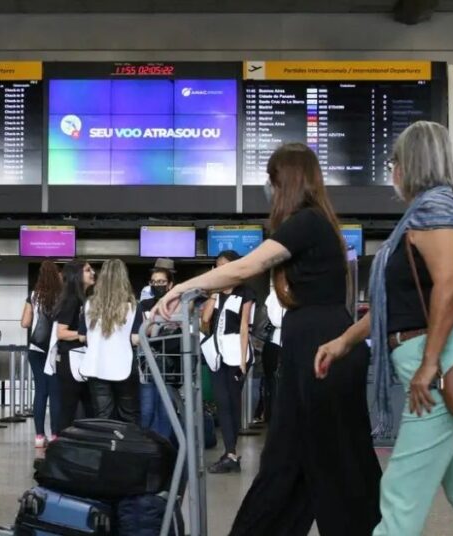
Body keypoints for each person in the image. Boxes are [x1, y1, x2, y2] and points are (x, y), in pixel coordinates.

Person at [156, 143, 381, 534]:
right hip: (312, 346)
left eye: (272, 180)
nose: (268, 189)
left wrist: (180, 288)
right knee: (294, 462)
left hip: (320, 348)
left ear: (287, 181)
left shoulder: (307, 221)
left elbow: (248, 266)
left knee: (335, 466)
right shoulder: (316, 223)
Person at [315, 121, 453, 535]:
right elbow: (400, 307)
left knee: (400, 491)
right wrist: (343, 341)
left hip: (442, 369)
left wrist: (428, 366)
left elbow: (451, 282)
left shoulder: (436, 209)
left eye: (394, 161)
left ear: (412, 163)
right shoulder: (424, 213)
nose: (392, 170)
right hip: (445, 361)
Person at [199, 250, 257, 474]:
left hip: (236, 353)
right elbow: (205, 320)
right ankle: (230, 453)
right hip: (216, 353)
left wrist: (242, 362)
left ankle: (231, 453)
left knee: (232, 402)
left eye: (224, 265)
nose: (221, 268)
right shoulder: (215, 293)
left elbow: (244, 327)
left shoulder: (246, 292)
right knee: (222, 402)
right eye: (217, 265)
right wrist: (213, 293)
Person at [81, 259, 140, 424]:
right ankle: (125, 448)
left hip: (95, 365)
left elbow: (85, 337)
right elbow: (136, 339)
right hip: (124, 366)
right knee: (129, 417)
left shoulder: (89, 305)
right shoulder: (133, 306)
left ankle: (105, 449)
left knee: (102, 417)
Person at [131, 263, 177, 439]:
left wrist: (151, 327)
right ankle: (146, 447)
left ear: (170, 284)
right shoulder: (143, 304)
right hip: (147, 363)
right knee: (147, 409)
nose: (158, 285)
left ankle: (164, 449)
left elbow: (175, 329)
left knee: (166, 410)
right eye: (154, 282)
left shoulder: (177, 304)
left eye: (162, 281)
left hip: (170, 363)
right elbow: (139, 333)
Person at [21, 260, 63, 447]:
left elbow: (25, 323)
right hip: (55, 349)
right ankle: (55, 435)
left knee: (40, 391)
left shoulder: (33, 296)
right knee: (55, 393)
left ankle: (39, 437)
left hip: (36, 349)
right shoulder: (63, 296)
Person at [52, 261, 95, 433]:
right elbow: (61, 332)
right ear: (77, 275)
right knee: (69, 408)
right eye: (87, 270)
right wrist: (84, 335)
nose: (92, 273)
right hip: (71, 360)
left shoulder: (84, 299)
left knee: (82, 406)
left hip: (78, 359)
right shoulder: (72, 300)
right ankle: (62, 446)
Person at [254, 285, 284, 424]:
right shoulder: (276, 295)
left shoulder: (273, 295)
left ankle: (273, 419)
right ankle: (275, 419)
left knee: (272, 384)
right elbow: (278, 320)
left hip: (272, 345)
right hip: (277, 345)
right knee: (275, 385)